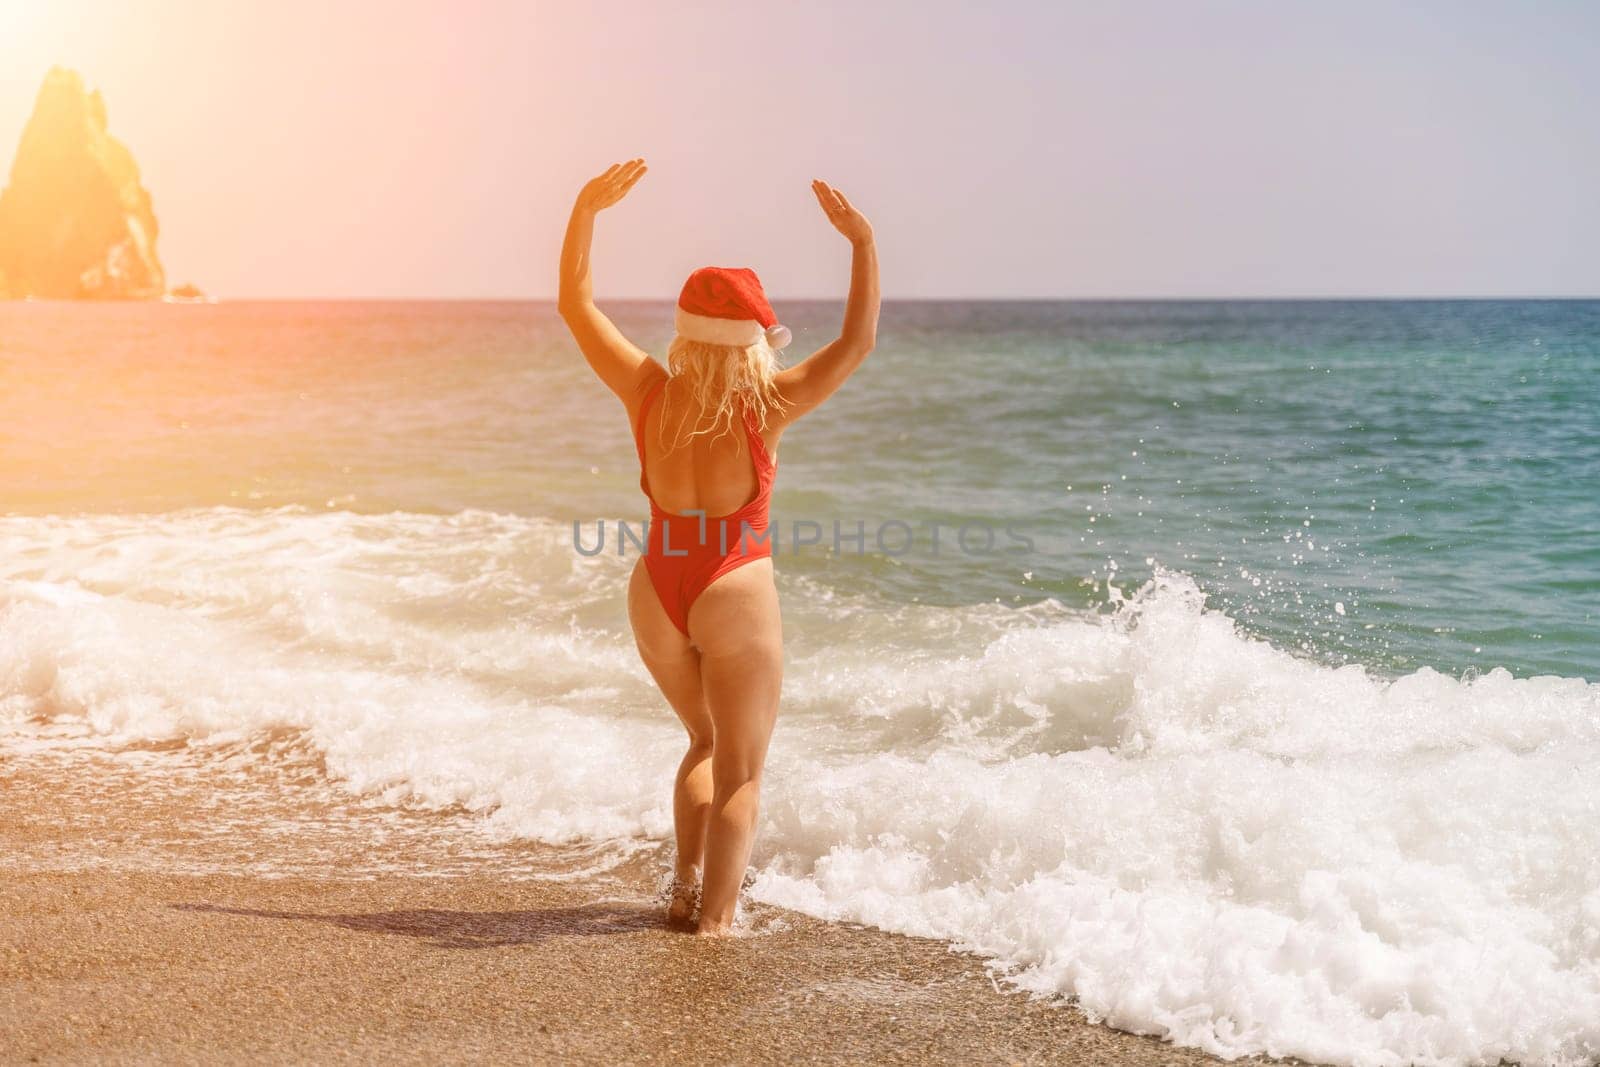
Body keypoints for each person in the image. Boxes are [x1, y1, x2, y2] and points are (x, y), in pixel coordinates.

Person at [557, 159, 879, 935]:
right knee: (741, 770)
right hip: (733, 583)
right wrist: (862, 243)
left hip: (658, 585)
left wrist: (584, 211)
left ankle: (685, 886)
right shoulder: (767, 403)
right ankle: (715, 924)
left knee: (700, 739)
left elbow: (575, 305)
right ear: (752, 341)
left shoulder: (647, 390)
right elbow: (857, 342)